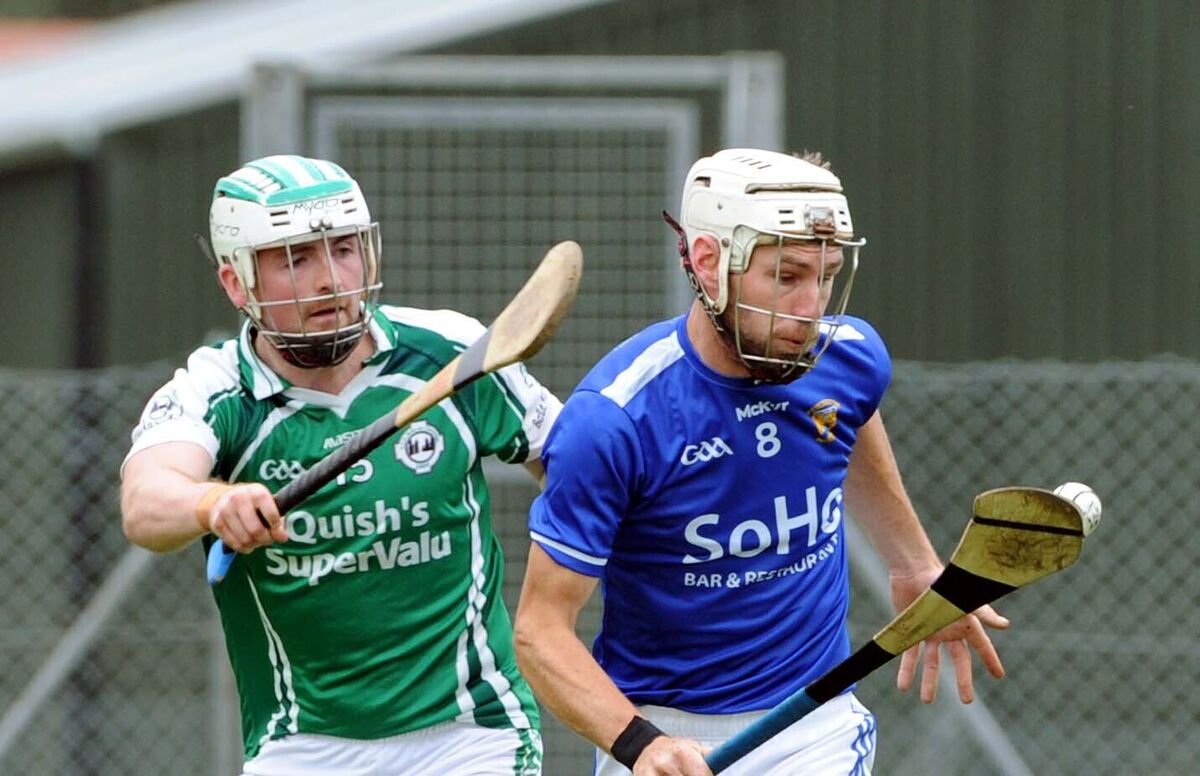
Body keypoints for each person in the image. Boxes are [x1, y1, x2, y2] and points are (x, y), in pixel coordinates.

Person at [512, 148, 1009, 775]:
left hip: (813, 720)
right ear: (708, 263)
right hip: (663, 735)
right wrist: (640, 744)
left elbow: (850, 418)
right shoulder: (616, 419)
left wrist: (912, 562)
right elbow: (539, 631)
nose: (811, 308)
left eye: (825, 276)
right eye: (788, 276)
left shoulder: (847, 358)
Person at [120, 155, 556, 775]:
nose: (329, 278)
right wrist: (212, 503)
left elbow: (579, 473)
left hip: (472, 731)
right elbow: (144, 501)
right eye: (295, 259)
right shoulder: (215, 390)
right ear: (236, 283)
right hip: (302, 744)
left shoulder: (452, 354)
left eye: (344, 249)